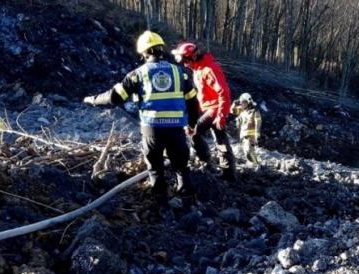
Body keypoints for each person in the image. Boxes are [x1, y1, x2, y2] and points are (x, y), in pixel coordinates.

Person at [83, 31, 200, 208]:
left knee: (155, 168)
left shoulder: (137, 74)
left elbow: (115, 97)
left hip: (151, 130)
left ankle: (161, 205)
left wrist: (93, 99)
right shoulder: (180, 73)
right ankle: (189, 206)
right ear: (162, 50)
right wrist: (191, 125)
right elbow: (193, 102)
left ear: (143, 53)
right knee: (181, 167)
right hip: (176, 129)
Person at [171, 42, 236, 181]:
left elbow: (224, 92)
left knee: (193, 131)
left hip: (215, 108)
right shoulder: (198, 68)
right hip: (208, 108)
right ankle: (228, 173)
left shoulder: (209, 69)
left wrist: (221, 116)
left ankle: (206, 160)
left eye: (185, 61)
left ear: (192, 57)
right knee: (220, 139)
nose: (184, 64)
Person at [231, 93, 262, 166]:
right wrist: (234, 104)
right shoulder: (241, 110)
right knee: (247, 151)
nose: (242, 103)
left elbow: (258, 122)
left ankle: (255, 164)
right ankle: (255, 164)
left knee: (248, 150)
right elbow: (232, 111)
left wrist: (257, 134)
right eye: (241, 102)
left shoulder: (255, 111)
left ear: (249, 102)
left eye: (244, 102)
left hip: (251, 135)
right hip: (243, 135)